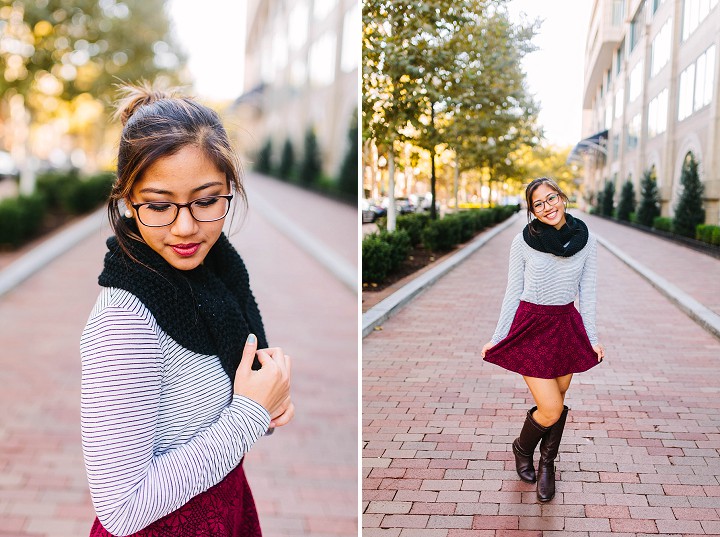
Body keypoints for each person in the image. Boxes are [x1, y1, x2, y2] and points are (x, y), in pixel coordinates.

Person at [80, 83, 294, 536]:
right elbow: (121, 507)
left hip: (226, 508)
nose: (185, 227)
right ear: (126, 198)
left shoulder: (218, 278)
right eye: (158, 205)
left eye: (207, 200)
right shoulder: (124, 320)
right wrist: (252, 414)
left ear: (230, 189)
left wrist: (266, 398)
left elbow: (222, 416)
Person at [481, 177, 604, 502]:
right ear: (531, 210)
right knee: (550, 408)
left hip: (566, 327)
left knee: (558, 401)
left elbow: (587, 292)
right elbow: (512, 291)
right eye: (539, 204)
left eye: (551, 199)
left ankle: (547, 463)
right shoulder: (523, 241)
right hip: (531, 327)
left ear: (562, 198)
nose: (547, 207)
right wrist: (498, 337)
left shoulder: (586, 239)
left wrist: (591, 337)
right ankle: (523, 449)